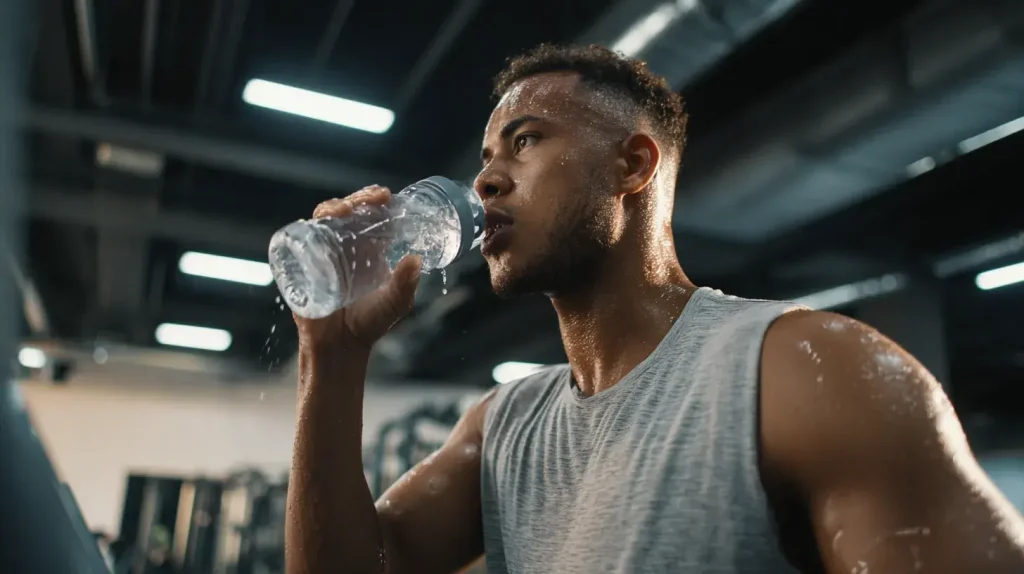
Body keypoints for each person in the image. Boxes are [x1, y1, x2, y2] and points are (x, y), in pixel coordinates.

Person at [284, 44, 1024, 574]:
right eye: (485, 159)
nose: (486, 184)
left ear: (632, 166)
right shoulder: (502, 427)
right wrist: (333, 354)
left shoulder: (811, 370)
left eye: (525, 141)